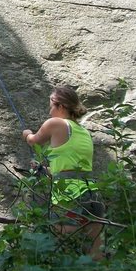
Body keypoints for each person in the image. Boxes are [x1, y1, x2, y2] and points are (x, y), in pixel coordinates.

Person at [22, 85, 105, 260]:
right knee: (96, 251)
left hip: (70, 197)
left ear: (60, 106)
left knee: (58, 233)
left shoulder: (55, 123)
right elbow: (69, 169)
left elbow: (34, 140)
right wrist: (43, 170)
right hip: (92, 195)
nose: (49, 110)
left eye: (51, 105)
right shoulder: (83, 132)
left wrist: (27, 134)